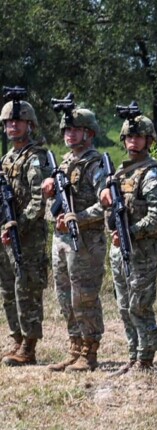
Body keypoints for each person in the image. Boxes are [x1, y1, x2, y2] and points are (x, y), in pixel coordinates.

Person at [100, 113, 157, 376]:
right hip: (119, 250)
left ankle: (146, 359)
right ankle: (133, 355)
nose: (133, 141)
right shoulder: (120, 172)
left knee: (139, 305)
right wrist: (104, 196)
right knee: (123, 304)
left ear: (149, 140)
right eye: (129, 136)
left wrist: (130, 232)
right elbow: (108, 204)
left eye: (138, 137)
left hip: (142, 252)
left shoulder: (151, 174)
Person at [43, 108, 107, 372]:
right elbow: (52, 207)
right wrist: (49, 198)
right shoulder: (64, 162)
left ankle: (89, 352)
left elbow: (104, 205)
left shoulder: (96, 164)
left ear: (88, 133)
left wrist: (76, 217)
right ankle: (74, 347)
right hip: (61, 240)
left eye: (76, 130)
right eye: (67, 130)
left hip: (86, 241)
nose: (70, 134)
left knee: (84, 297)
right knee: (64, 296)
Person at [0, 98, 52, 366]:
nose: (13, 125)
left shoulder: (36, 157)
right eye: (9, 121)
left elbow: (38, 199)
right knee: (8, 289)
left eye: (18, 121)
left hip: (28, 236)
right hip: (6, 235)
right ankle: (17, 339)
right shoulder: (6, 158)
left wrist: (19, 224)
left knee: (27, 288)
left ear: (29, 124)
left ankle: (29, 346)